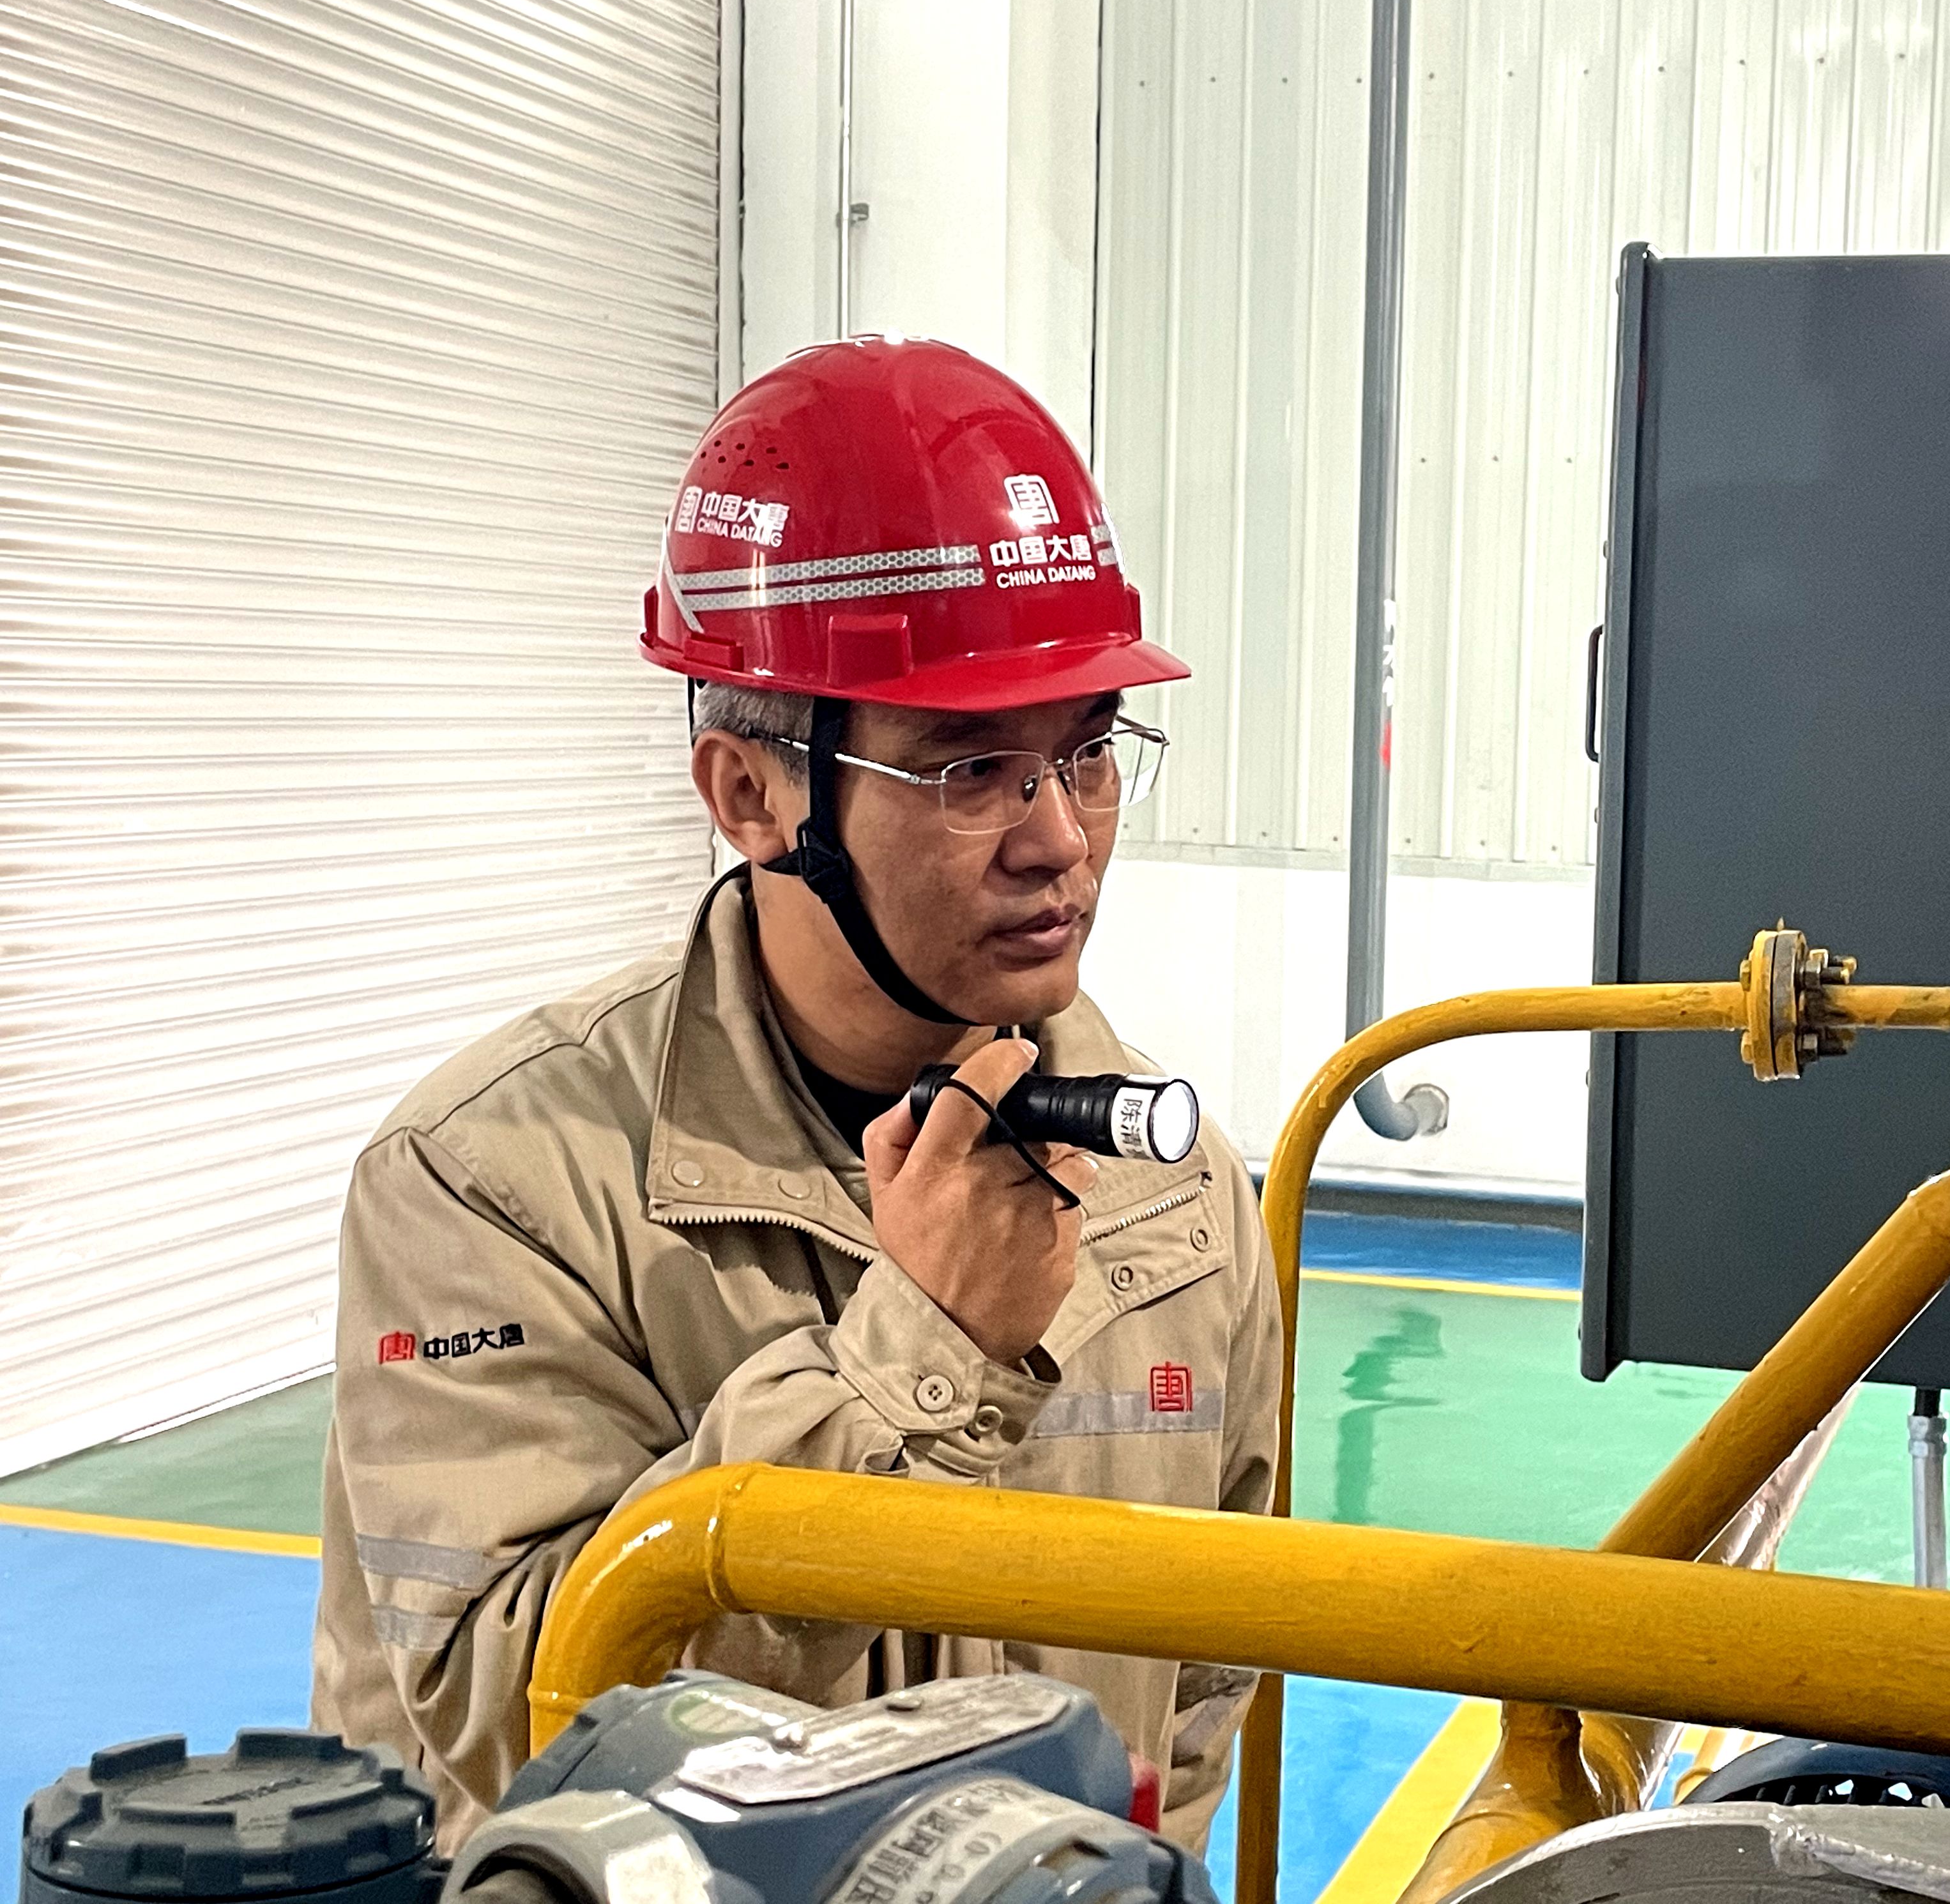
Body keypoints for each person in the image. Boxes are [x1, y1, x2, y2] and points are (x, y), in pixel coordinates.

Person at [311, 337, 1283, 1854]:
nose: (1060, 839)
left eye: (1089, 754)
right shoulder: (492, 1182)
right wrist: (924, 1358)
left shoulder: (1179, 1192)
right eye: (972, 770)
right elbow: (516, 1720)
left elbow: (1207, 1675)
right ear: (753, 795)